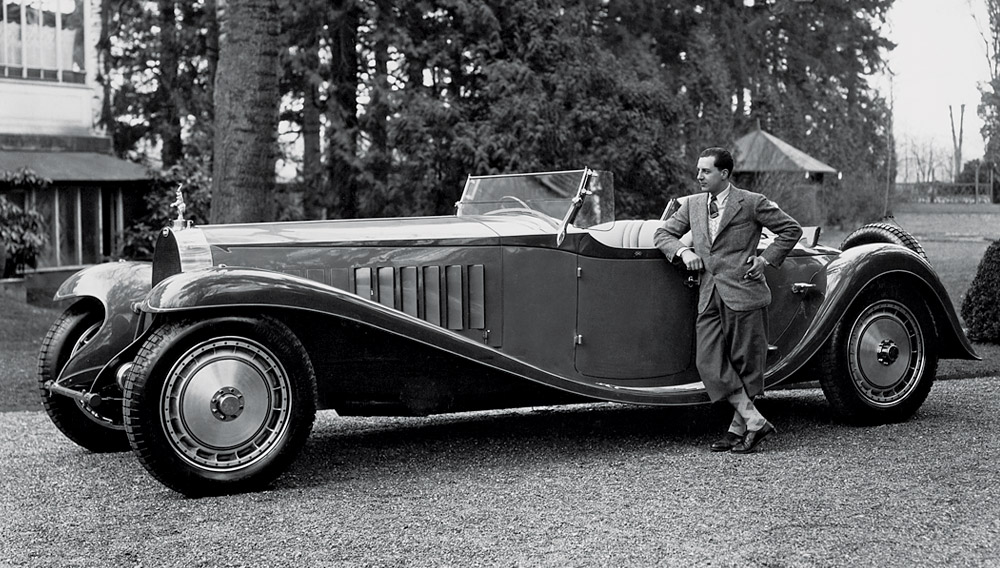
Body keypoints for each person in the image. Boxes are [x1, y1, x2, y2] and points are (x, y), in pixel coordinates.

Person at [654, 147, 802, 453]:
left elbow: (791, 229)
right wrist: (684, 251)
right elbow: (663, 235)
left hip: (745, 291)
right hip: (708, 293)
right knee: (707, 360)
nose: (699, 177)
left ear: (724, 174)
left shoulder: (751, 202)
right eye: (698, 171)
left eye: (705, 171)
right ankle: (755, 421)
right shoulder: (692, 205)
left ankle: (738, 430)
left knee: (746, 364)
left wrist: (765, 260)